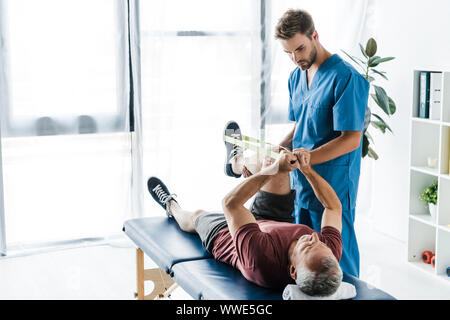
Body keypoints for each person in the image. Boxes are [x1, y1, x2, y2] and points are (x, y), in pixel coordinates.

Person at [233, 9, 370, 278]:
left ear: (314, 35)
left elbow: (352, 138)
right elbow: (301, 127)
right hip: (301, 183)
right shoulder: (296, 77)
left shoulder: (346, 78)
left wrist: (306, 161)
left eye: (300, 49)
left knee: (336, 258)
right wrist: (277, 151)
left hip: (333, 182)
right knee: (303, 256)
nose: (296, 58)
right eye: (288, 53)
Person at [147, 147, 344, 297]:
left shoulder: (260, 259)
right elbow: (333, 208)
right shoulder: (327, 252)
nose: (313, 238)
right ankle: (235, 162)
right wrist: (307, 170)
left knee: (195, 217)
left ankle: (170, 205)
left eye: (308, 247)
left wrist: (273, 171)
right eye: (320, 243)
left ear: (292, 270)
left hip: (227, 236)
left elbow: (230, 204)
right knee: (277, 154)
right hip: (275, 222)